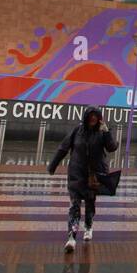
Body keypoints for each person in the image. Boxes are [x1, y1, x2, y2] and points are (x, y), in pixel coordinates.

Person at [48, 107, 117, 253]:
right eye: (90, 116)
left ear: (99, 118)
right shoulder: (77, 131)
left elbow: (112, 148)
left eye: (95, 116)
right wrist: (52, 165)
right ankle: (71, 238)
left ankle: (88, 226)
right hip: (76, 174)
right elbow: (63, 148)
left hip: (93, 176)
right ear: (86, 118)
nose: (92, 119)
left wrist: (107, 132)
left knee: (90, 204)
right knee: (74, 206)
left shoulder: (102, 132)